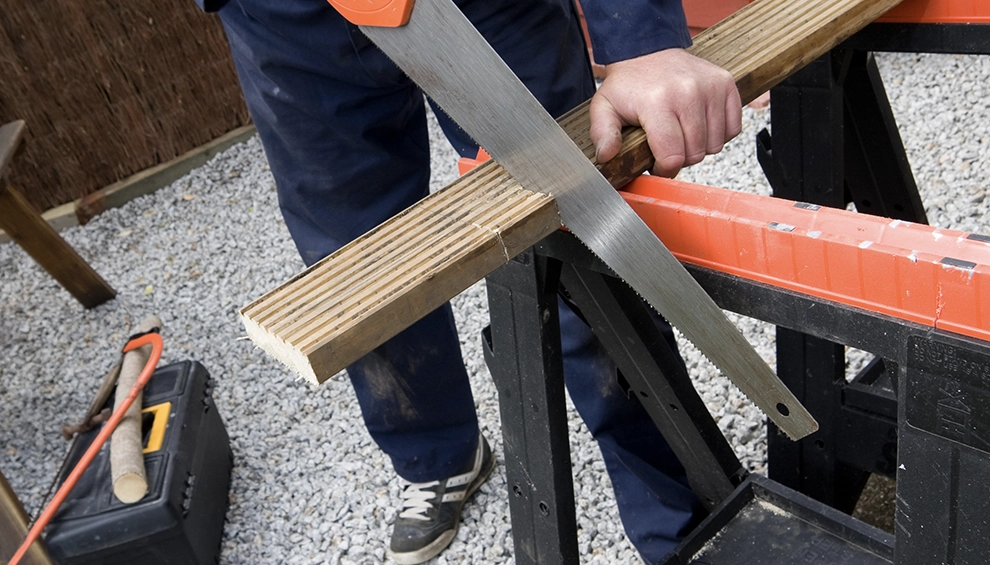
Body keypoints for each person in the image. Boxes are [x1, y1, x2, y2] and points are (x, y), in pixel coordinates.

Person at [196, 0, 742, 562]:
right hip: (282, 17)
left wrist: (642, 40)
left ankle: (682, 511)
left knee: (575, 232)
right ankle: (435, 458)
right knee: (357, 267)